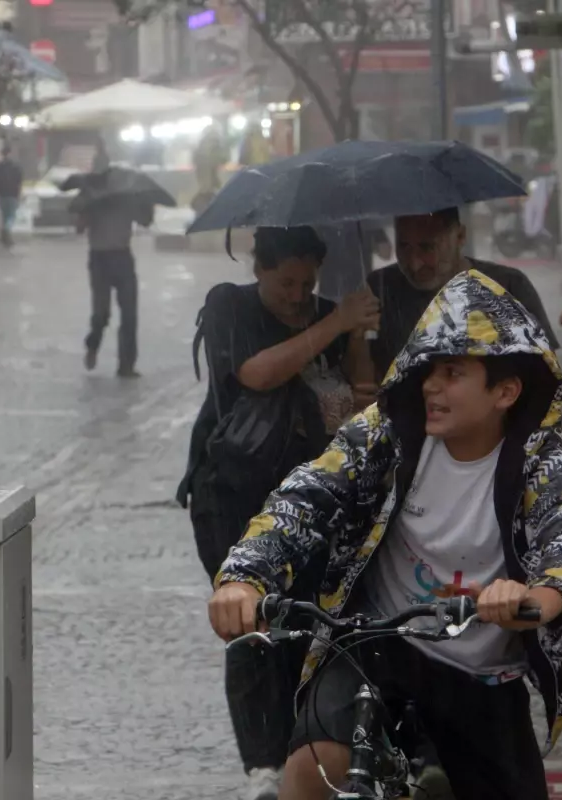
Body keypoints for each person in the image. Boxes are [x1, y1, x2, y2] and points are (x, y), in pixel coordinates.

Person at [208, 269, 562, 800]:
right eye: (429, 369)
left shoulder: (540, 462)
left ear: (505, 391)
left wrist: (534, 597)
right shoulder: (389, 433)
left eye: (454, 372)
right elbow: (304, 497)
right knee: (310, 769)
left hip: (481, 675)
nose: (432, 386)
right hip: (375, 647)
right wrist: (243, 578)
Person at [176, 226, 380, 800]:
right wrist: (334, 323)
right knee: (250, 623)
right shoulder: (229, 306)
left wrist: (356, 338)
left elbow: (352, 405)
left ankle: (299, 751)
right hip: (231, 495)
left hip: (309, 500)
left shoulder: (329, 316)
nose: (296, 294)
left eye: (307, 282)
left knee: (306, 624)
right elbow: (256, 373)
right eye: (285, 282)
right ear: (258, 268)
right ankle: (261, 764)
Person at [366, 207, 560, 383]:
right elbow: (358, 380)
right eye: (404, 246)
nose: (415, 264)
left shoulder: (508, 286)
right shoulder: (378, 288)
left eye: (427, 248)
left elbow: (543, 372)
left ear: (460, 236)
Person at [75, 156, 150, 378]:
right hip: (99, 260)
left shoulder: (127, 199)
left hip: (123, 257)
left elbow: (145, 221)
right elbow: (78, 228)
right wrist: (88, 213)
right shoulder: (92, 199)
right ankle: (93, 344)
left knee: (129, 313)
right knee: (102, 313)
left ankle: (126, 364)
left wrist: (145, 204)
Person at [0, 146, 23, 249]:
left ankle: (6, 238)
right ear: (10, 153)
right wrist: (19, 193)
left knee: (5, 216)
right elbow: (19, 181)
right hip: (13, 195)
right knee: (11, 216)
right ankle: (6, 230)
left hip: (2, 195)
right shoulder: (16, 166)